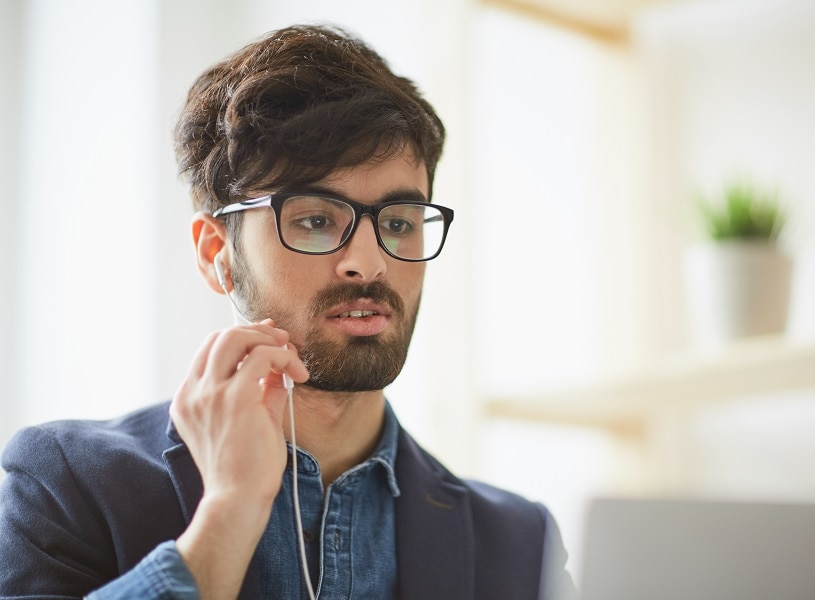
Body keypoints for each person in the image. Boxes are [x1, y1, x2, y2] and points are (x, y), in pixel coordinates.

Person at [0, 24, 577, 599]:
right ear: (216, 255)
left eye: (399, 222)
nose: (369, 263)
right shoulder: (68, 485)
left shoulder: (520, 543)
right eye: (317, 219)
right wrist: (228, 512)